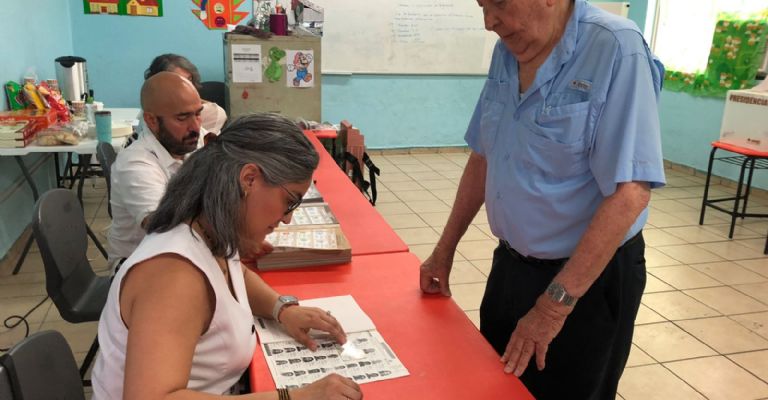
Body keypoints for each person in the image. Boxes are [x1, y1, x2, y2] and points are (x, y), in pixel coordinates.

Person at [419, 1, 665, 399]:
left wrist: (552, 308)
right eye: (482, 6)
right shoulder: (509, 49)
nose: (488, 22)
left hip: (585, 281)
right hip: (512, 267)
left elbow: (631, 191)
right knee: (495, 385)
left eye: (497, 3)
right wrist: (443, 250)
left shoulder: (616, 47)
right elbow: (485, 154)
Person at [92, 113, 364, 400]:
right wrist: (295, 397)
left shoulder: (208, 229)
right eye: (290, 201)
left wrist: (281, 310)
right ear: (249, 179)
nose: (287, 219)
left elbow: (234, 274)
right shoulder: (174, 277)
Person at [107, 71, 206, 262]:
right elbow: (165, 228)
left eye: (198, 113)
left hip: (184, 254)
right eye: (182, 118)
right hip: (139, 264)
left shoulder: (192, 138)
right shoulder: (135, 163)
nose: (195, 126)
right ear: (151, 120)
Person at [142, 53, 227, 137]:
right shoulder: (152, 114)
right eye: (179, 81)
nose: (187, 85)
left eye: (189, 79)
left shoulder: (212, 112)